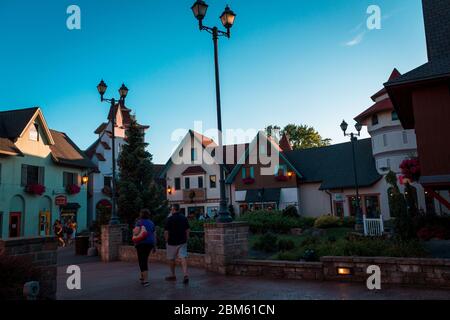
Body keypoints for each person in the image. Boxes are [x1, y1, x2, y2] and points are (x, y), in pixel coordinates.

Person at [164, 204, 190, 284]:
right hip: (182, 241)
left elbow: (166, 232)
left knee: (171, 259)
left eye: (171, 209)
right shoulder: (184, 218)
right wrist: (187, 238)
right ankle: (185, 275)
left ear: (173, 209)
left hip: (172, 242)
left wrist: (166, 240)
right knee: (183, 257)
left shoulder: (169, 219)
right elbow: (188, 230)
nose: (171, 211)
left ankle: (173, 275)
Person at [133, 209, 156, 287]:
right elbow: (154, 235)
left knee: (142, 261)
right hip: (149, 243)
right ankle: (142, 276)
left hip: (141, 243)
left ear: (141, 214)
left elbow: (136, 232)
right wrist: (154, 246)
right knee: (144, 259)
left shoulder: (139, 222)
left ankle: (145, 280)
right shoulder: (151, 223)